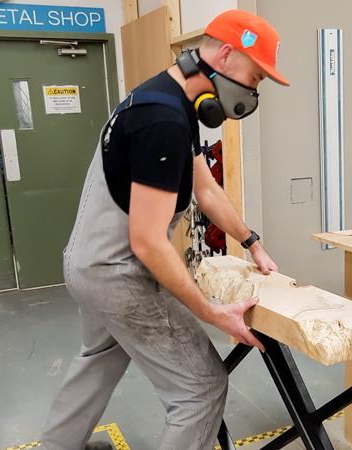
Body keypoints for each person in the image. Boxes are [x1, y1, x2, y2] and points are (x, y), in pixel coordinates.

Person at [40, 9, 289, 450]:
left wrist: (252, 243)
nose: (253, 90)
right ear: (227, 56)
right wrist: (210, 310)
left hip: (87, 264)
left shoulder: (168, 99)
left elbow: (206, 190)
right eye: (256, 76)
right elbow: (148, 241)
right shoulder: (162, 121)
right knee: (201, 388)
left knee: (98, 359)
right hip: (118, 273)